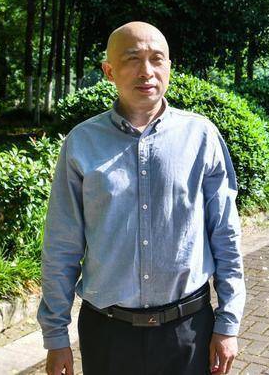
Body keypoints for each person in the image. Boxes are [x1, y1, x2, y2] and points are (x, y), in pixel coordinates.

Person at [38, 21, 245, 375]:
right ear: (109, 71)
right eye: (132, 59)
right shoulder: (82, 143)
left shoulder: (201, 137)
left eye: (156, 59)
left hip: (188, 333)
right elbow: (62, 244)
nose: (146, 71)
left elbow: (225, 235)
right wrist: (56, 336)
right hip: (108, 335)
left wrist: (228, 323)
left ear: (169, 67)